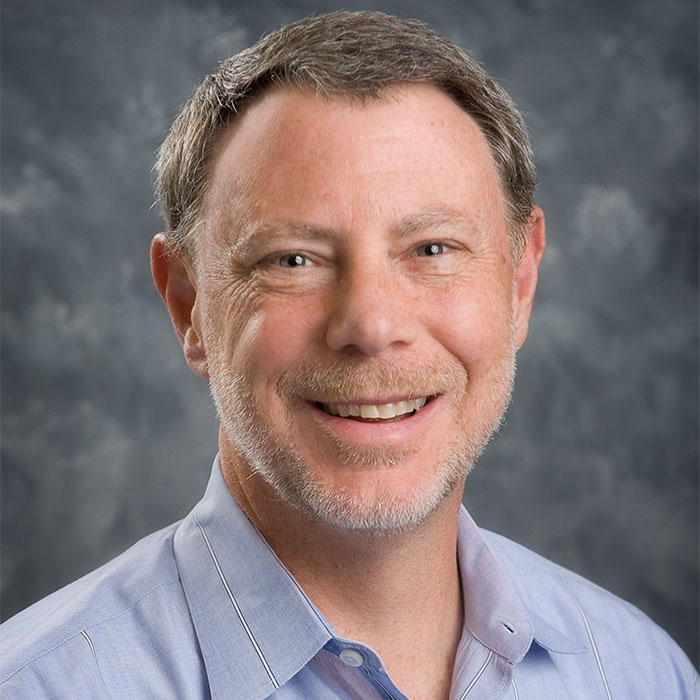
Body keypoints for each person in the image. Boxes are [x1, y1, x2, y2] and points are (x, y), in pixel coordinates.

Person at [1, 10, 696, 700]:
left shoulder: (640, 673)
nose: (371, 325)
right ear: (189, 306)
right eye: (293, 259)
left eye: (432, 249)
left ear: (519, 281)